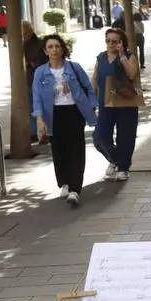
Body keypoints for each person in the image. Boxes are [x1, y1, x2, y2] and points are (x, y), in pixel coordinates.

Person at [32, 34, 99, 207]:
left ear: (62, 49)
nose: (55, 50)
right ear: (45, 51)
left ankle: (75, 189)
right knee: (59, 149)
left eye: (57, 46)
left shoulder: (74, 68)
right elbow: (37, 97)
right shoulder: (41, 72)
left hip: (74, 112)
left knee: (76, 149)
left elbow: (88, 88)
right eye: (51, 47)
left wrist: (93, 106)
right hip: (53, 114)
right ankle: (65, 182)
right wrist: (39, 119)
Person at [92, 28, 145, 182]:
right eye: (108, 40)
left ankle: (123, 168)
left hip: (126, 102)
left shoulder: (129, 56)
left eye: (114, 41)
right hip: (105, 103)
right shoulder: (101, 57)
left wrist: (121, 55)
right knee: (100, 136)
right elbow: (95, 79)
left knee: (126, 136)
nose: (110, 44)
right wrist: (91, 99)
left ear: (121, 43)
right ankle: (115, 159)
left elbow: (131, 74)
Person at [23, 20, 49, 143]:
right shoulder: (22, 44)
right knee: (32, 108)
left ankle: (45, 133)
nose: (23, 36)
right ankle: (33, 133)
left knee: (41, 107)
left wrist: (31, 64)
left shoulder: (39, 44)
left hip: (39, 80)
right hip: (28, 80)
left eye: (24, 33)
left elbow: (44, 63)